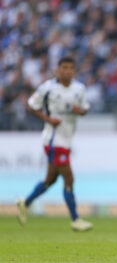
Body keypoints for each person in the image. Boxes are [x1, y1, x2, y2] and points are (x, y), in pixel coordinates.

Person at [16, 57, 92, 232]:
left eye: (71, 68)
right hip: (53, 140)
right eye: (64, 68)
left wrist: (79, 111)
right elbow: (31, 105)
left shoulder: (79, 89)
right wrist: (48, 119)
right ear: (57, 69)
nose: (68, 71)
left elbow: (85, 109)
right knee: (69, 179)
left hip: (66, 140)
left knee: (50, 180)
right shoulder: (47, 88)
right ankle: (75, 219)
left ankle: (25, 203)